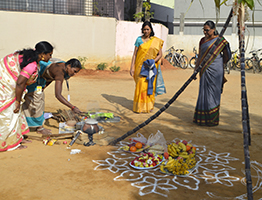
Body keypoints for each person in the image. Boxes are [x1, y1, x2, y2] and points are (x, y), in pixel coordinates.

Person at [0, 41, 54, 151]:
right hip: (6, 84)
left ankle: (17, 138)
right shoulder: (31, 65)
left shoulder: (30, 56)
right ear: (43, 54)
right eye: (50, 54)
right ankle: (10, 143)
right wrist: (17, 101)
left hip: (10, 81)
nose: (51, 57)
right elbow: (20, 83)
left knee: (18, 113)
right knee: (11, 112)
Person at [22, 58, 82, 134]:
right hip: (34, 79)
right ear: (69, 66)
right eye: (74, 71)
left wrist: (45, 86)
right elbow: (58, 95)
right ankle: (38, 128)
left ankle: (36, 125)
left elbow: (51, 76)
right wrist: (72, 107)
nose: (75, 74)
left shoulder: (63, 65)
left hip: (40, 81)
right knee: (36, 102)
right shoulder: (59, 72)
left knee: (40, 100)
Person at [193, 20, 231, 126]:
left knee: (214, 93)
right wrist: (195, 70)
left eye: (207, 30)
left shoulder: (220, 40)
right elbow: (200, 56)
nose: (205, 32)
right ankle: (202, 119)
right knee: (204, 93)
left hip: (216, 70)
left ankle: (212, 119)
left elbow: (227, 55)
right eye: (204, 30)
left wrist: (219, 62)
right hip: (204, 70)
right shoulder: (202, 41)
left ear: (213, 29)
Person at [130, 21, 164, 113]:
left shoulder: (155, 41)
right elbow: (134, 55)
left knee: (149, 86)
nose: (146, 31)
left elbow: (160, 54)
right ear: (142, 30)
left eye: (147, 29)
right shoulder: (139, 40)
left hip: (151, 67)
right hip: (140, 67)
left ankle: (149, 106)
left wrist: (153, 61)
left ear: (151, 30)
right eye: (144, 29)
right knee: (140, 85)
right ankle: (139, 107)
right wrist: (132, 67)